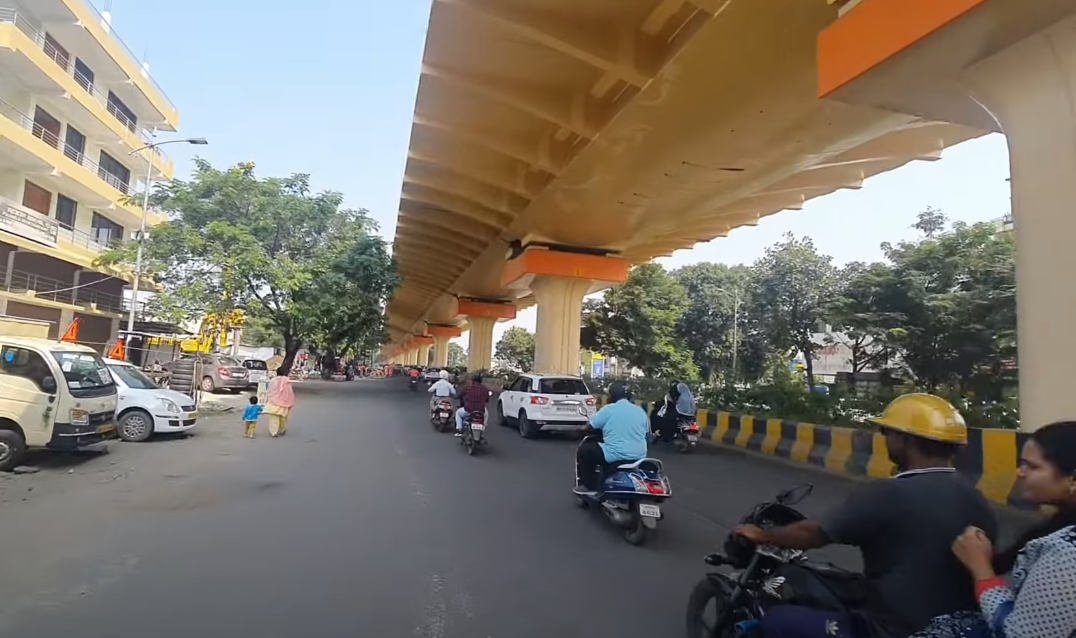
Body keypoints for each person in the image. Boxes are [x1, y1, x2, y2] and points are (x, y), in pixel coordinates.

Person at [735, 393, 998, 638]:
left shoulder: (888, 492)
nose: (884, 439)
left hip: (891, 629)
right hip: (961, 628)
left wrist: (762, 534)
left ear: (906, 440)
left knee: (777, 620)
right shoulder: (977, 498)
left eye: (887, 432)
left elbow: (815, 534)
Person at [914, 421, 1076, 638]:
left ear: (1073, 478)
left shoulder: (1066, 554)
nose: (1020, 472)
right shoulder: (1060, 527)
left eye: (1033, 466)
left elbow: (1020, 634)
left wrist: (980, 568)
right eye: (1021, 463)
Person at [574, 382, 649, 494]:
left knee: (586, 450)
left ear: (612, 396)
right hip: (639, 455)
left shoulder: (609, 409)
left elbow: (590, 426)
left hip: (615, 455)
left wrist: (580, 431)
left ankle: (589, 486)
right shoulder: (641, 411)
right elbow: (647, 433)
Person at [264, 366, 295, 438]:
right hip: (284, 403)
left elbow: (270, 390)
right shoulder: (287, 381)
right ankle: (282, 430)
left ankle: (273, 432)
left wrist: (267, 398)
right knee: (283, 418)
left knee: (273, 418)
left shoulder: (273, 380)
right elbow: (289, 393)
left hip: (273, 402)